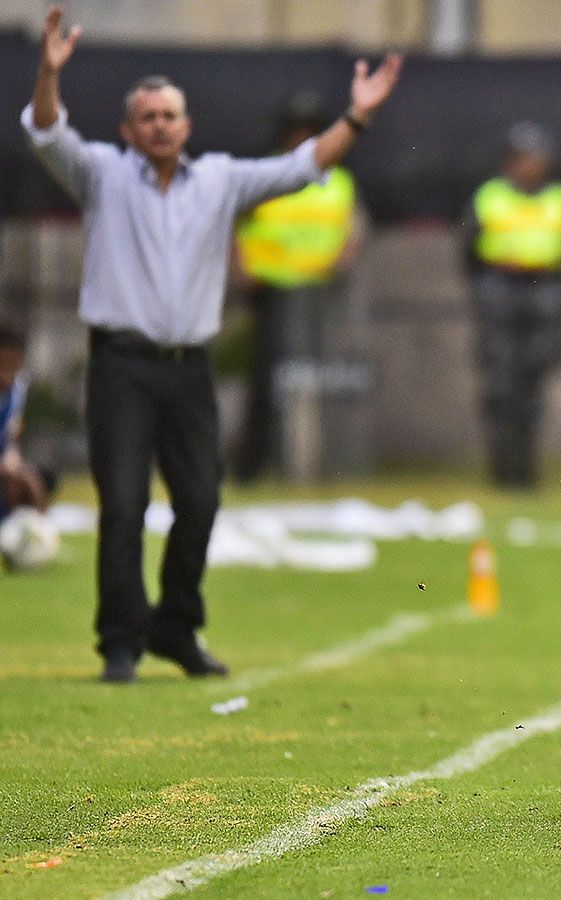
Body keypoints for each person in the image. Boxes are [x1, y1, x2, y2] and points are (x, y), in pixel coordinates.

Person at [21, 5, 403, 683]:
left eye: (170, 115)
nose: (160, 125)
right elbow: (49, 133)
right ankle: (120, 641)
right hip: (122, 365)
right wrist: (48, 74)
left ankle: (176, 627)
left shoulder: (220, 181)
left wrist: (358, 117)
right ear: (128, 130)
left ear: (187, 126)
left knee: (200, 501)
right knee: (124, 505)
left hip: (188, 368)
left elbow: (302, 166)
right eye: (147, 117)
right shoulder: (103, 175)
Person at [234, 94, 366, 483]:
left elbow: (353, 230)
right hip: (271, 291)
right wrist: (241, 269)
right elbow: (235, 225)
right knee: (266, 380)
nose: (303, 140)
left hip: (320, 294)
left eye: (311, 132)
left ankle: (316, 466)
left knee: (317, 378)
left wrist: (341, 260)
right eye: (297, 132)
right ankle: (255, 465)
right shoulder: (266, 173)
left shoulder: (337, 180)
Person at [464, 122, 561, 489]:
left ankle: (527, 469)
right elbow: (468, 249)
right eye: (523, 159)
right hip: (500, 289)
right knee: (501, 384)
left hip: (544, 290)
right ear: (510, 162)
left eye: (536, 159)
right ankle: (502, 468)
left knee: (533, 384)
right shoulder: (490, 196)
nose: (530, 166)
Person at [0, 325, 54, 516]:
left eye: (13, 365)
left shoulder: (18, 388)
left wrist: (14, 462)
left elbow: (11, 434)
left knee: (42, 478)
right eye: (3, 364)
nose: (7, 372)